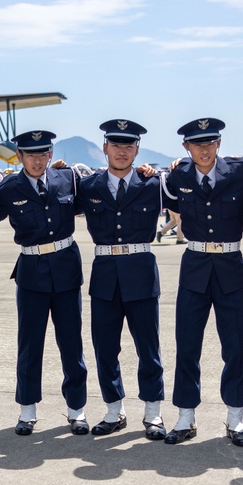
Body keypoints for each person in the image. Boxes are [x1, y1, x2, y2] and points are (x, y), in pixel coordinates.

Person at [160, 118, 243, 446]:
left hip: (230, 265)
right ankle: (185, 417)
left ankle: (235, 419)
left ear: (219, 143)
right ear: (186, 147)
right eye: (196, 144)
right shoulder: (177, 176)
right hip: (195, 266)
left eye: (210, 142)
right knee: (187, 345)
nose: (204, 149)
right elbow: (148, 187)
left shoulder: (242, 174)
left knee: (236, 346)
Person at [0, 130, 89, 436]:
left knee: (71, 344)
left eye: (43, 154)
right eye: (30, 155)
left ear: (50, 154)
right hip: (32, 272)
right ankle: (27, 410)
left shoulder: (67, 179)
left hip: (65, 269)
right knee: (30, 344)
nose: (37, 160)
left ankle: (77, 410)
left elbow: (104, 191)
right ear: (19, 156)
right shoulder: (8, 187)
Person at [76, 120, 166, 438]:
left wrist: (177, 165)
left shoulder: (153, 184)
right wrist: (58, 168)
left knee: (148, 348)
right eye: (116, 146)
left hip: (140, 273)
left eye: (129, 146)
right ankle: (114, 410)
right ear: (105, 149)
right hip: (104, 276)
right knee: (105, 348)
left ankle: (153, 413)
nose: (122, 152)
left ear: (137, 150)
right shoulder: (87, 187)